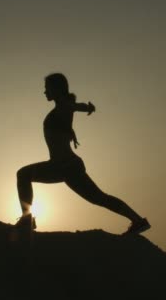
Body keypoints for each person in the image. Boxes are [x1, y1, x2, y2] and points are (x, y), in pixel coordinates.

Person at [15, 73, 150, 235]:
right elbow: (68, 114)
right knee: (99, 198)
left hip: (65, 166)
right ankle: (138, 221)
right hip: (63, 166)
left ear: (57, 89)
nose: (44, 92)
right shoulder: (61, 109)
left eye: (47, 88)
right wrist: (80, 116)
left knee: (23, 175)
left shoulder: (64, 105)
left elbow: (72, 106)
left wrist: (87, 107)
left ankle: (27, 219)